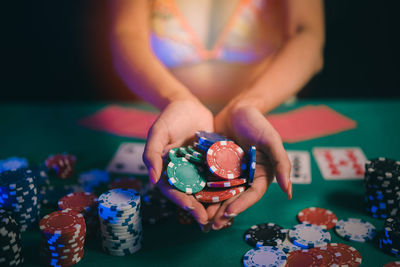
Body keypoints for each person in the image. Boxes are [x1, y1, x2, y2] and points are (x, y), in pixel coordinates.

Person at [110, 0, 325, 232]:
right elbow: (125, 34)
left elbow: (308, 33)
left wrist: (249, 104)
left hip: (265, 107)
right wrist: (176, 99)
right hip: (166, 111)